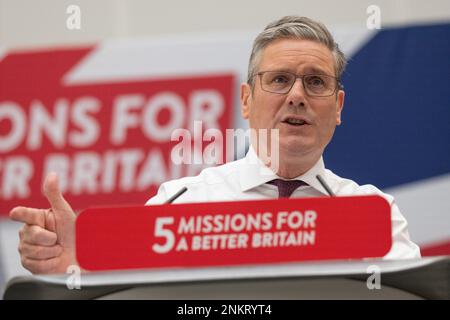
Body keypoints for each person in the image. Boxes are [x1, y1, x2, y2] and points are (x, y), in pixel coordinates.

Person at [9, 16, 421, 275]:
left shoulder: (375, 216)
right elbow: (126, 288)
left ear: (338, 107)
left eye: (316, 82)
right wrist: (80, 266)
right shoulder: (181, 204)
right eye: (279, 80)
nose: (297, 95)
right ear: (245, 99)